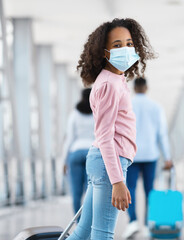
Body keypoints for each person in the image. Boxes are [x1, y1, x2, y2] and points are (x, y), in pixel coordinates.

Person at [66, 18, 155, 240]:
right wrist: (117, 182)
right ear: (105, 52)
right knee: (102, 234)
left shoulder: (114, 79)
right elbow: (104, 137)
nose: (125, 49)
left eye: (129, 43)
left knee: (84, 231)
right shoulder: (109, 84)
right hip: (110, 162)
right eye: (117, 45)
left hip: (104, 161)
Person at [122, 77, 173, 239]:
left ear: (134, 88)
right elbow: (162, 134)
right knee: (150, 189)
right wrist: (168, 157)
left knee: (130, 189)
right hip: (151, 154)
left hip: (131, 154)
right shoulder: (156, 107)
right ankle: (148, 223)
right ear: (146, 88)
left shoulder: (127, 105)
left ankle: (133, 222)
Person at [62, 88, 94, 216]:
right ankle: (87, 223)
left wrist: (64, 161)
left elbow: (69, 138)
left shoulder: (74, 114)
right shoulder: (97, 112)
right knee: (90, 191)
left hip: (75, 152)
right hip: (92, 153)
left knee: (76, 192)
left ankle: (78, 222)